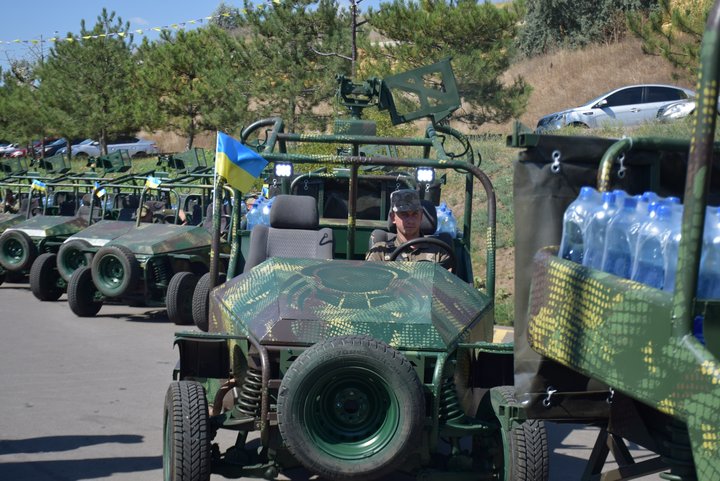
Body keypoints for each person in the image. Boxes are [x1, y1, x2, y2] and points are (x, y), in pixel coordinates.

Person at [365, 189, 451, 266]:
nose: (410, 221)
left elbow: (447, 282)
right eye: (404, 214)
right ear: (393, 217)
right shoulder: (381, 252)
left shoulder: (439, 252)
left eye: (415, 214)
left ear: (421, 216)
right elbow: (371, 282)